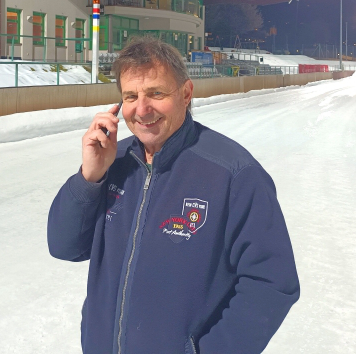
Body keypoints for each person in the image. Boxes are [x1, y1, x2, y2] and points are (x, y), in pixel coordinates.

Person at [47, 37, 299, 354]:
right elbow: (63, 246)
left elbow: (272, 282)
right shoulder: (114, 161)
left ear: (186, 93)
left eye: (156, 93)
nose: (142, 108)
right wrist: (90, 176)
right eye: (131, 96)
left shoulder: (233, 173)